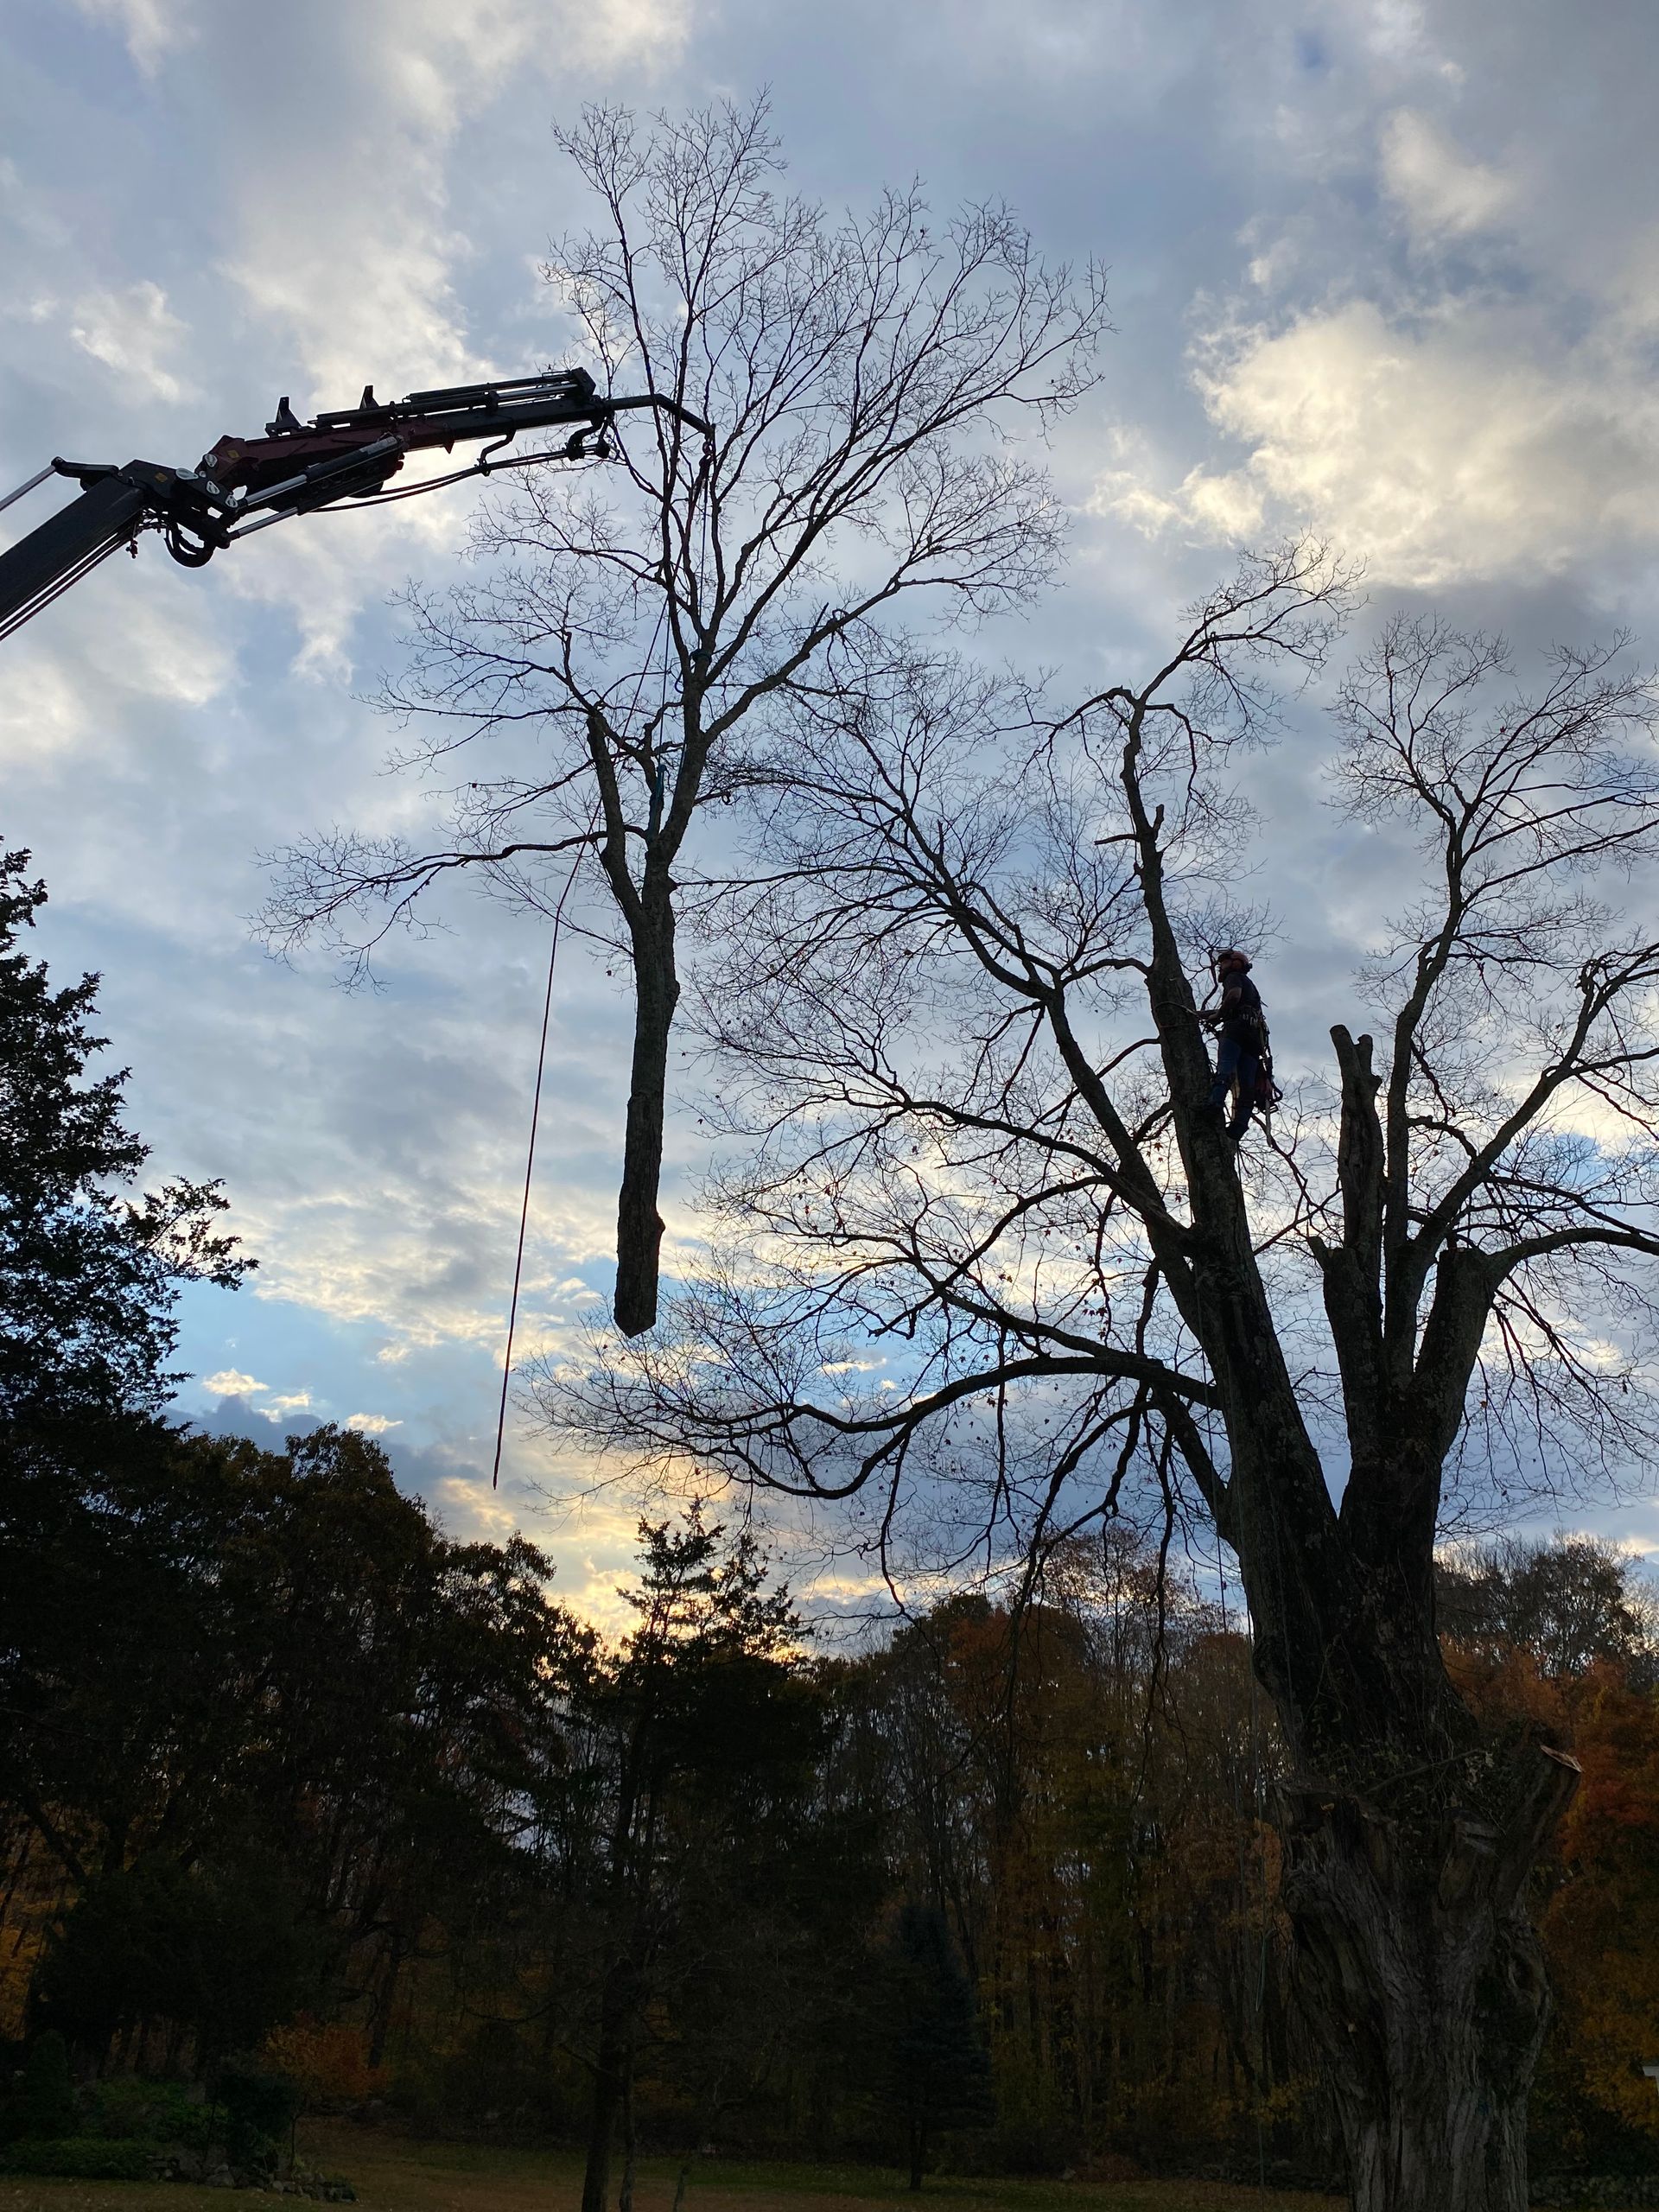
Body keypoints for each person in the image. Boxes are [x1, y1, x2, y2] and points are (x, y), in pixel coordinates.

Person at [1204, 949, 1265, 1144]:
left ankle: (1214, 1104)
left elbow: (1233, 998)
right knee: (1246, 1082)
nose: (1222, 966)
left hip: (1235, 1031)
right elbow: (1235, 1006)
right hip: (1254, 1038)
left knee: (1226, 1068)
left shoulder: (1234, 978)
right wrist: (1203, 1015)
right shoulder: (1252, 987)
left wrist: (1219, 1016)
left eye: (1224, 962)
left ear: (1236, 963)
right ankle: (1240, 1125)